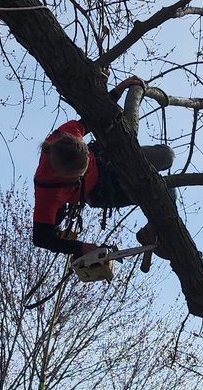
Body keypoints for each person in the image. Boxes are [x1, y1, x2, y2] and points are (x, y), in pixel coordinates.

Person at [32, 76, 173, 267]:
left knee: (166, 156)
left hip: (105, 159)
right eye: (78, 175)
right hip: (101, 191)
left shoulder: (67, 132)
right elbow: (42, 238)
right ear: (62, 173)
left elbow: (95, 115)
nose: (81, 175)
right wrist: (80, 248)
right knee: (166, 190)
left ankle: (154, 229)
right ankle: (155, 234)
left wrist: (120, 89)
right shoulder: (47, 193)